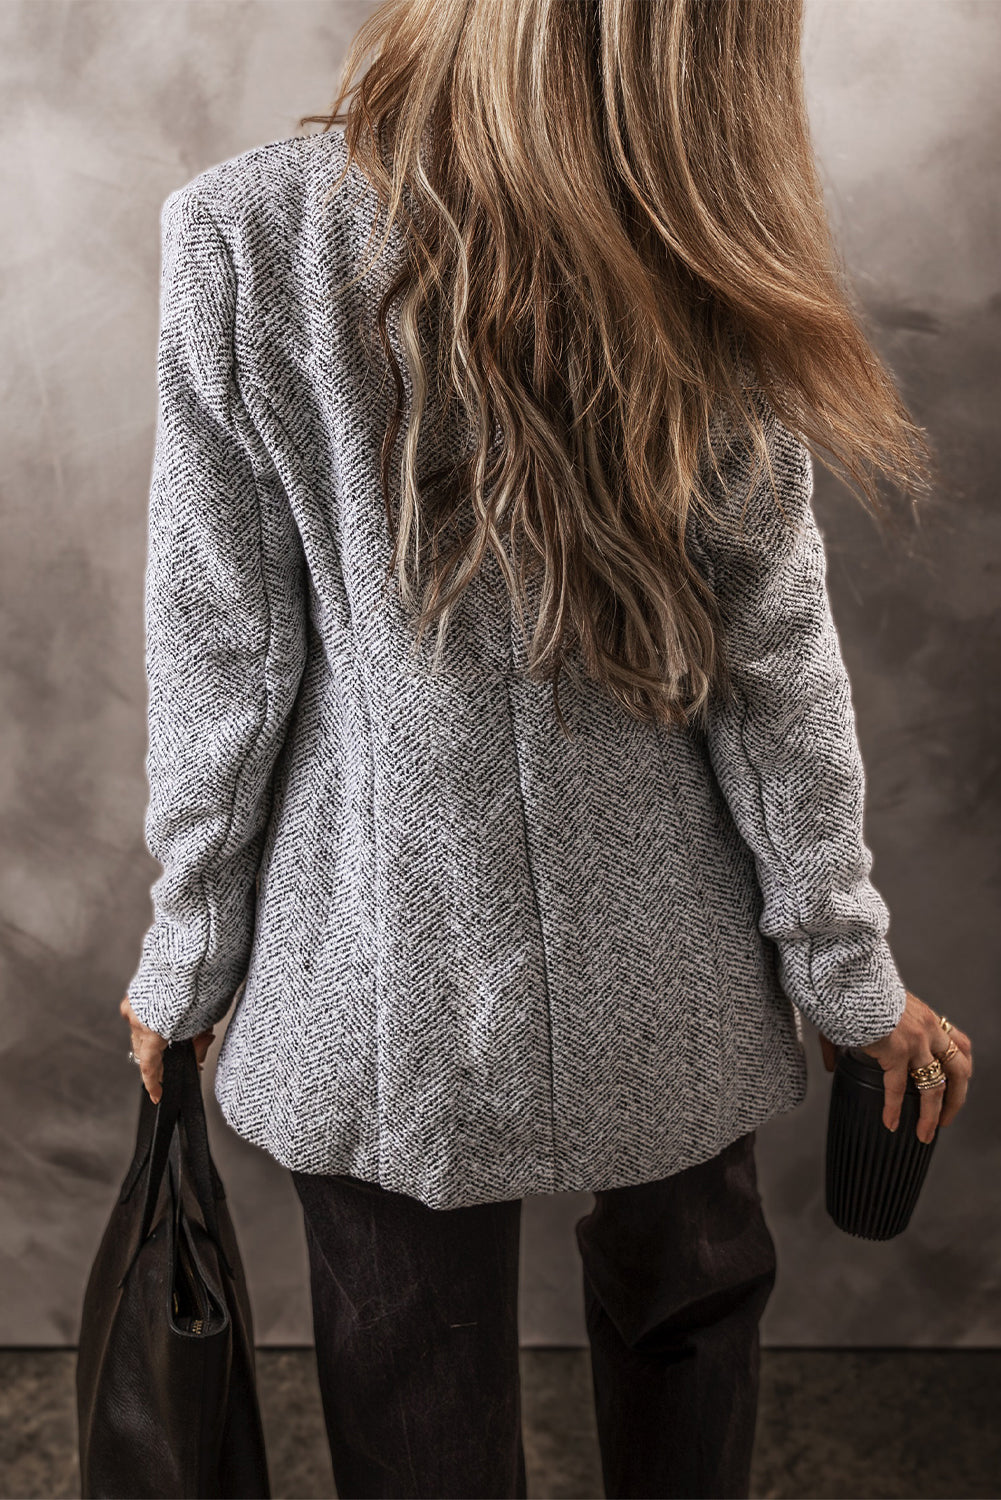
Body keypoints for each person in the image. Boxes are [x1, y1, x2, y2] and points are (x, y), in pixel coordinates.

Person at [120, 1, 974, 1495]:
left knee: (411, 1374)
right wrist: (848, 976)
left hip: (385, 965)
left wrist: (189, 954)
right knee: (686, 1313)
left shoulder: (251, 235)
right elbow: (769, 666)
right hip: (668, 955)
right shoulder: (699, 243)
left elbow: (226, 655)